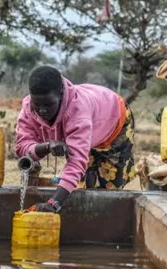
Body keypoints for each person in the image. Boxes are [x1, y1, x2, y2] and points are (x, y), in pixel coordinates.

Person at [16, 66, 136, 213]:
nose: (42, 110)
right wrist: (46, 146)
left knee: (108, 187)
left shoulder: (77, 111)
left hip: (115, 122)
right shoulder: (28, 108)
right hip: (89, 127)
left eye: (48, 105)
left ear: (60, 94)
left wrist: (53, 204)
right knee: (84, 183)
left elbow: (76, 163)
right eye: (37, 104)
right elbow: (21, 147)